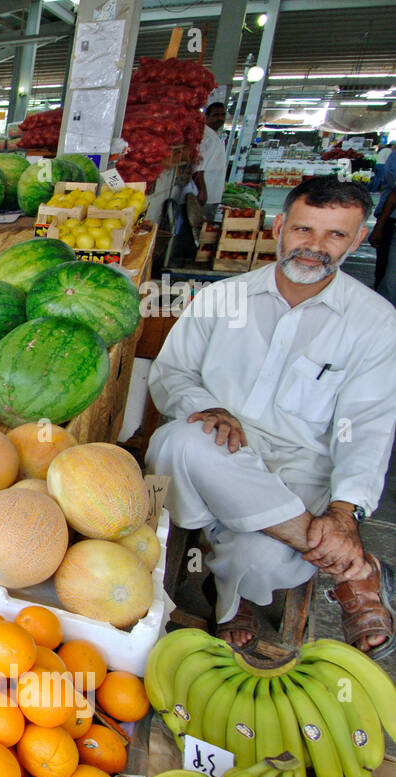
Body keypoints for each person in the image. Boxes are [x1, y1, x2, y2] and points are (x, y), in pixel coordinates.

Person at [146, 176, 396, 658]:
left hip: (299, 470)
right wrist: (205, 406)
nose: (315, 247)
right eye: (304, 230)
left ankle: (230, 587)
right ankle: (353, 567)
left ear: (359, 239)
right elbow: (170, 374)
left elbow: (367, 425)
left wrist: (345, 512)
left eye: (336, 236)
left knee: (259, 560)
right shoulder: (222, 299)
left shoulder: (376, 323)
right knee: (180, 440)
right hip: (219, 449)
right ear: (279, 227)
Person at [184, 101, 228, 239]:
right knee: (198, 229)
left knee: (203, 228)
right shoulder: (206, 137)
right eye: (216, 115)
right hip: (204, 194)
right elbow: (198, 167)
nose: (220, 118)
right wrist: (202, 190)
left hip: (212, 192)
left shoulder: (215, 135)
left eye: (222, 115)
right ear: (206, 116)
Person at [370, 147, 396, 307]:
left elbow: (394, 196)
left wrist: (379, 226)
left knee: (389, 279)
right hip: (390, 222)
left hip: (391, 222)